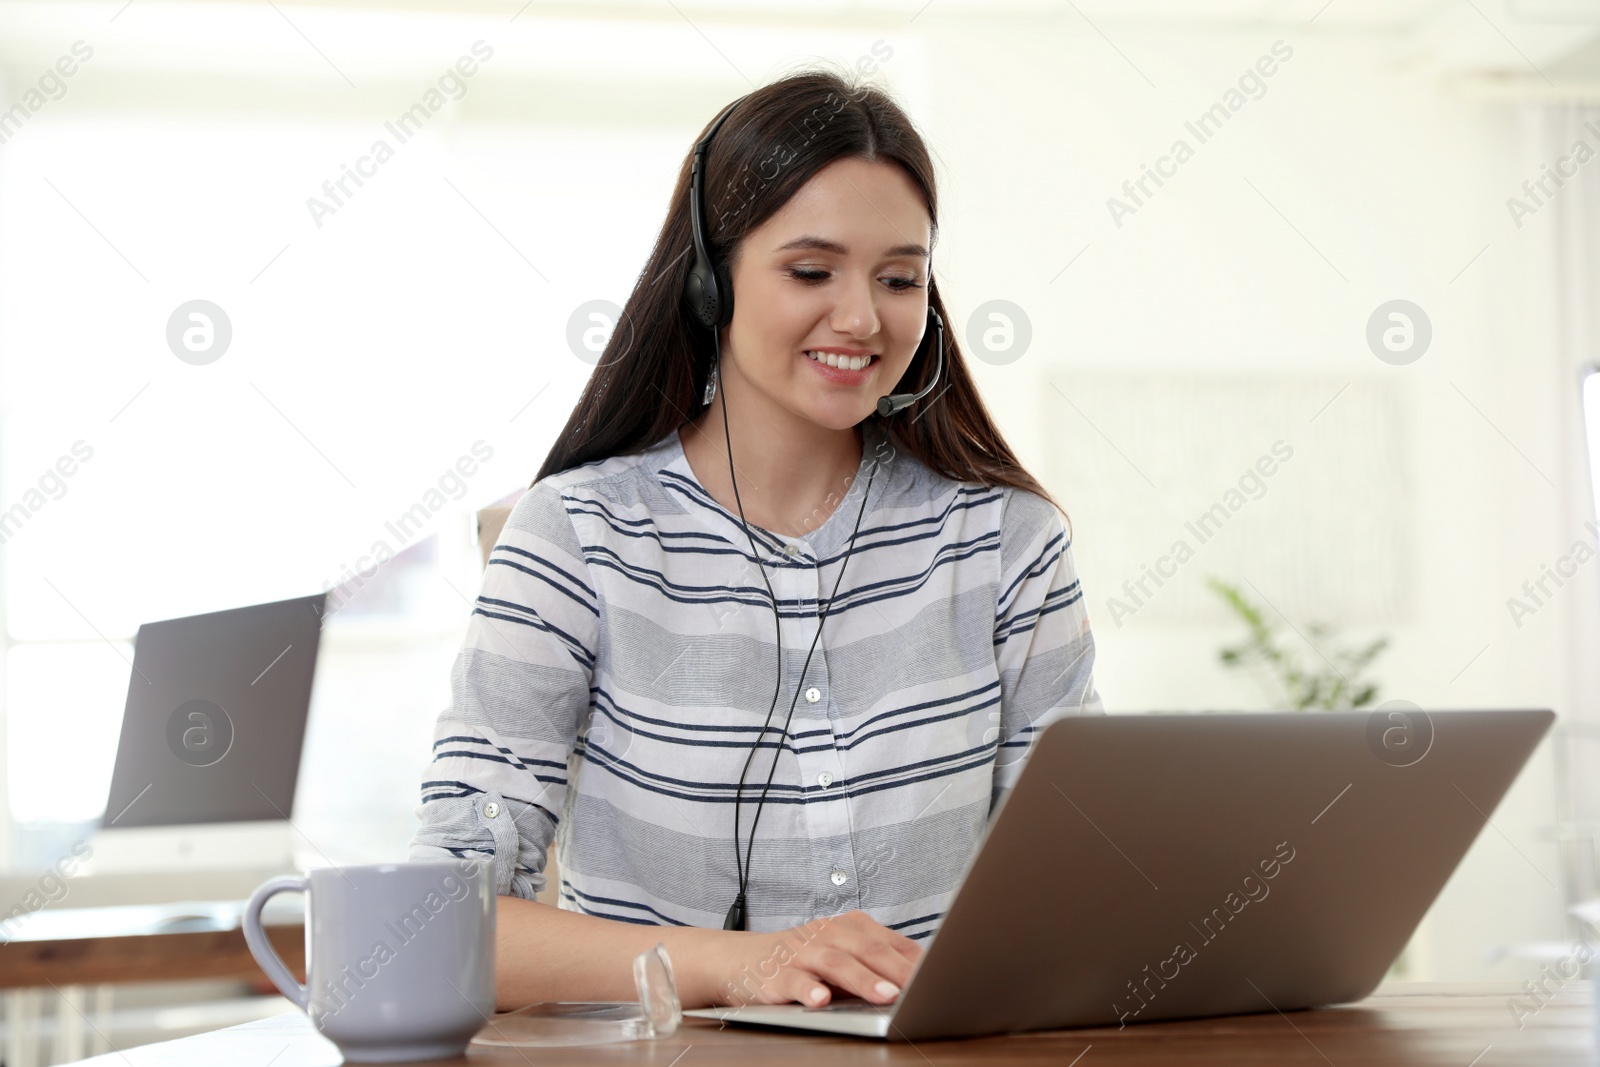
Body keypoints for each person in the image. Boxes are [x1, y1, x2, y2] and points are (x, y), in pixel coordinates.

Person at [408, 65, 1103, 1014]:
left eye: (900, 278)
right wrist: (739, 963)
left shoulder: (1004, 543)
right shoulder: (578, 537)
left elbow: (1085, 873)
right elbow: (442, 920)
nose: (862, 317)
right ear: (709, 281)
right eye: (811, 271)